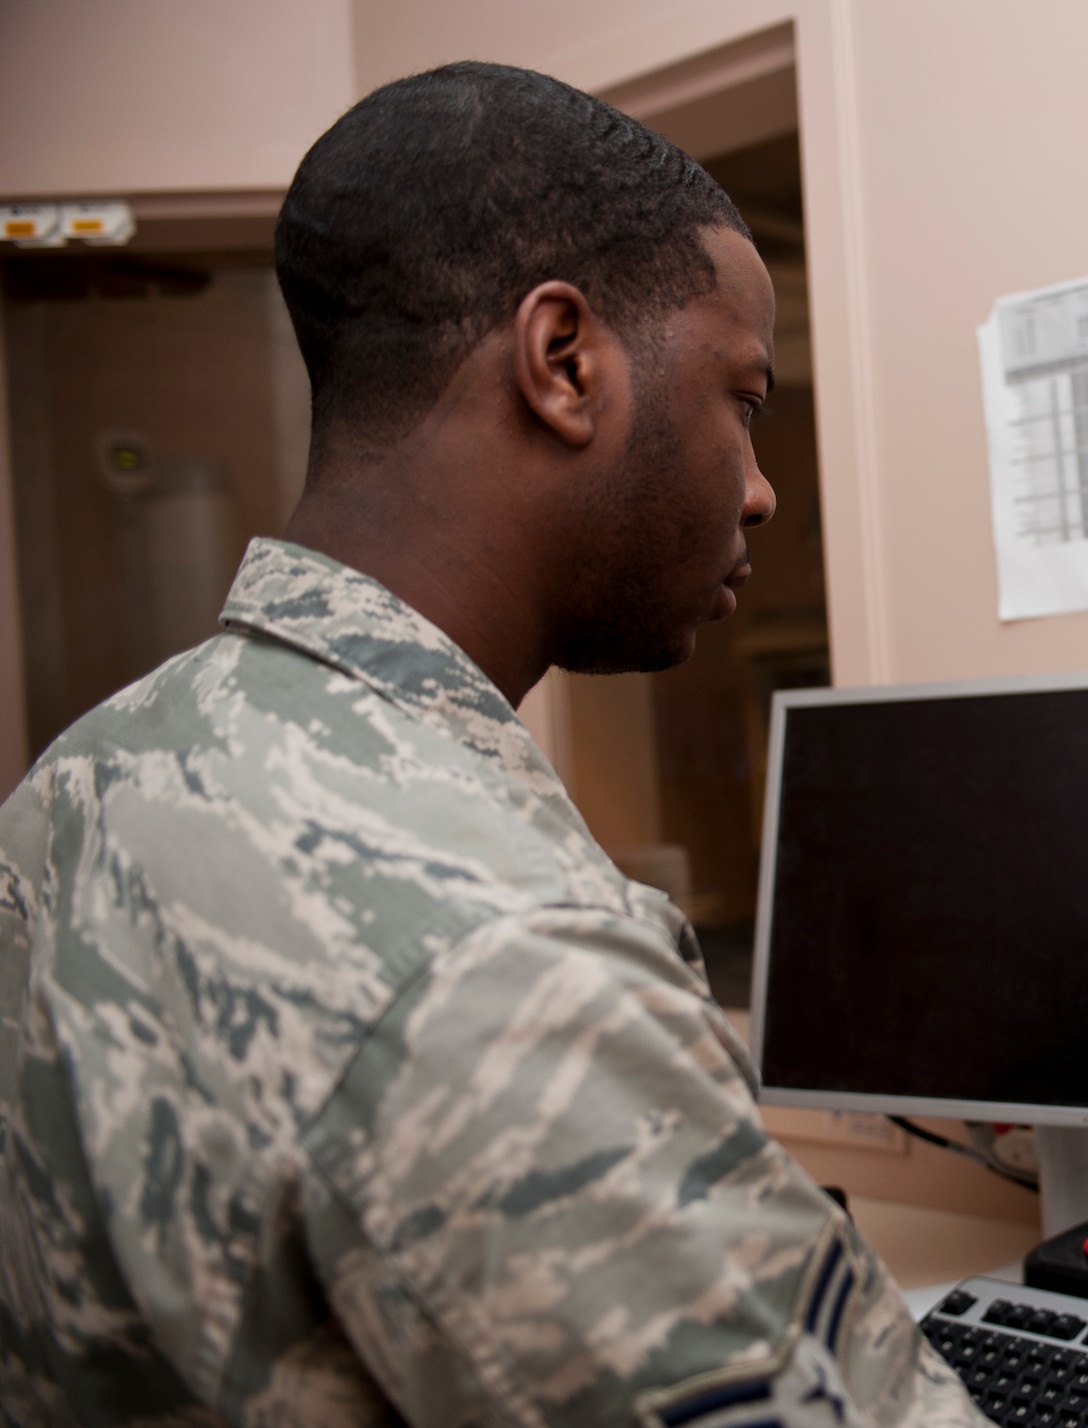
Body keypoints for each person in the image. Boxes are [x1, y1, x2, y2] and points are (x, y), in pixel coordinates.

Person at [0, 62, 986, 1428]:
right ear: (565, 362)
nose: (761, 490)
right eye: (743, 400)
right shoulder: (510, 959)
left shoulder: (82, 778)